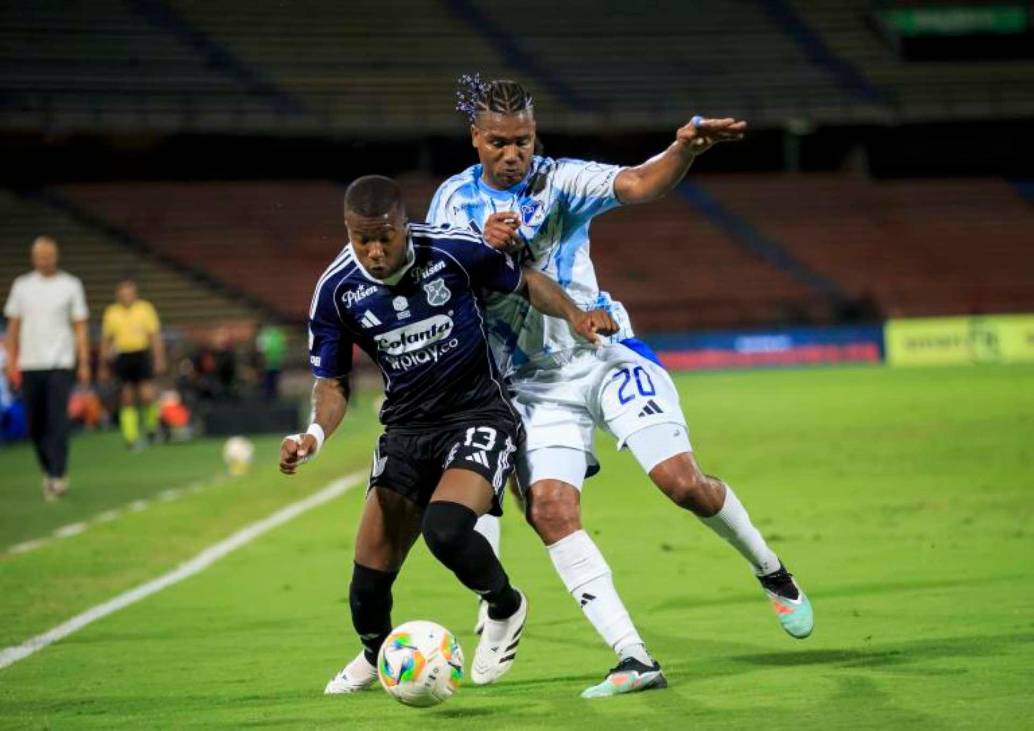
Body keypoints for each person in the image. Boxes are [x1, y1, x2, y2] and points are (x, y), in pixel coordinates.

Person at [426, 76, 814, 698]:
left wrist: (683, 149)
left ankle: (772, 572)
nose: (513, 154)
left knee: (681, 484)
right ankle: (634, 657)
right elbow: (442, 284)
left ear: (535, 135)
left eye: (522, 140)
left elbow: (636, 183)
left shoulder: (561, 179)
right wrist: (477, 248)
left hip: (603, 353)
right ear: (475, 138)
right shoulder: (450, 204)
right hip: (531, 386)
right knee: (549, 511)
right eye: (498, 142)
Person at [278, 175, 617, 695]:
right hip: (407, 431)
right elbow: (332, 382)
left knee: (446, 530)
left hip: (479, 414)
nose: (372, 251)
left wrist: (575, 316)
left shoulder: (454, 251)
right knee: (366, 590)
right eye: (359, 238)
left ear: (403, 225)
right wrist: (313, 436)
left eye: (383, 237)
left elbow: (525, 280)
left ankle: (506, 606)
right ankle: (379, 654)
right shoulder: (336, 291)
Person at [3, 236, 91, 500]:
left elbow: (80, 326)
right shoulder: (22, 286)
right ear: (33, 257)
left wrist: (83, 361)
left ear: (56, 256)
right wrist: (10, 361)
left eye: (48, 255)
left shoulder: (71, 285)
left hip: (60, 362)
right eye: (39, 255)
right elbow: (13, 327)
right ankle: (48, 469)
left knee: (58, 419)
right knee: (35, 423)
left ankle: (57, 474)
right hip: (30, 363)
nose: (44, 259)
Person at [99, 280, 165, 448]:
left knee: (147, 395)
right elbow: (106, 340)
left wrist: (159, 358)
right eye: (122, 294)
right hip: (123, 356)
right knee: (127, 397)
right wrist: (103, 366)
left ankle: (152, 428)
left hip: (141, 354)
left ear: (135, 294)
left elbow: (154, 336)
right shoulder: (111, 312)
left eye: (129, 293)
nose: (126, 297)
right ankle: (130, 437)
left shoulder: (145, 309)